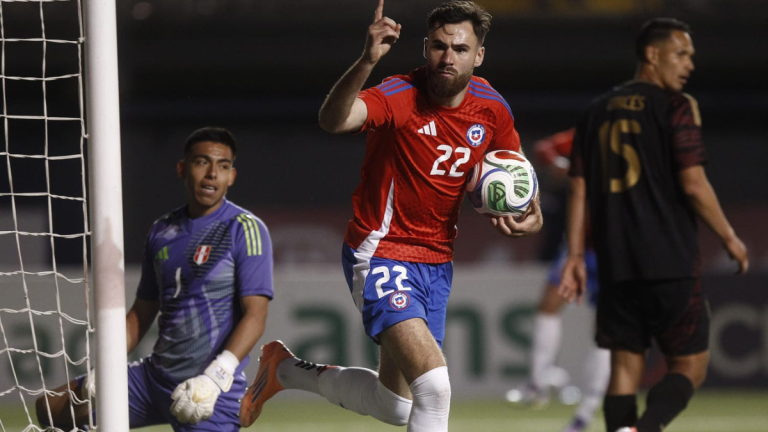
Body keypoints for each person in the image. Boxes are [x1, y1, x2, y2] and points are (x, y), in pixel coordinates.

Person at [239, 1, 542, 431]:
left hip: (436, 263)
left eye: (459, 48)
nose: (447, 57)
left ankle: (283, 371)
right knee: (435, 388)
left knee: (397, 407)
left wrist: (533, 212)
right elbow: (335, 119)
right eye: (439, 46)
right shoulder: (400, 95)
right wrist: (366, 61)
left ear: (478, 56)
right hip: (381, 251)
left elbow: (517, 167)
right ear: (425, 47)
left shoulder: (492, 109)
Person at [559, 18, 749, 432]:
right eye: (681, 54)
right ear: (651, 54)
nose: (689, 65)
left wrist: (575, 255)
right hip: (670, 261)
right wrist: (729, 236)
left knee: (624, 370)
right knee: (691, 365)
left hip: (616, 265)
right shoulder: (675, 106)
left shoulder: (595, 111)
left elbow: (578, 188)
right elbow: (695, 185)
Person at [35, 127, 274, 431]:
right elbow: (141, 312)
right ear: (182, 168)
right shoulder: (162, 230)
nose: (213, 173)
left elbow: (256, 315)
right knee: (51, 408)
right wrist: (105, 365)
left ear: (232, 176)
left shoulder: (245, 229)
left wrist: (217, 377)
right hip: (152, 379)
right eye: (202, 162)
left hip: (207, 389)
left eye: (223, 166)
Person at [507, 129, 610, 432]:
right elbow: (544, 148)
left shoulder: (642, 148)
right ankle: (538, 382)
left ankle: (587, 410)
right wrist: (568, 170)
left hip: (619, 250)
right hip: (582, 244)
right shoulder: (590, 135)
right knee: (549, 303)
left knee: (607, 330)